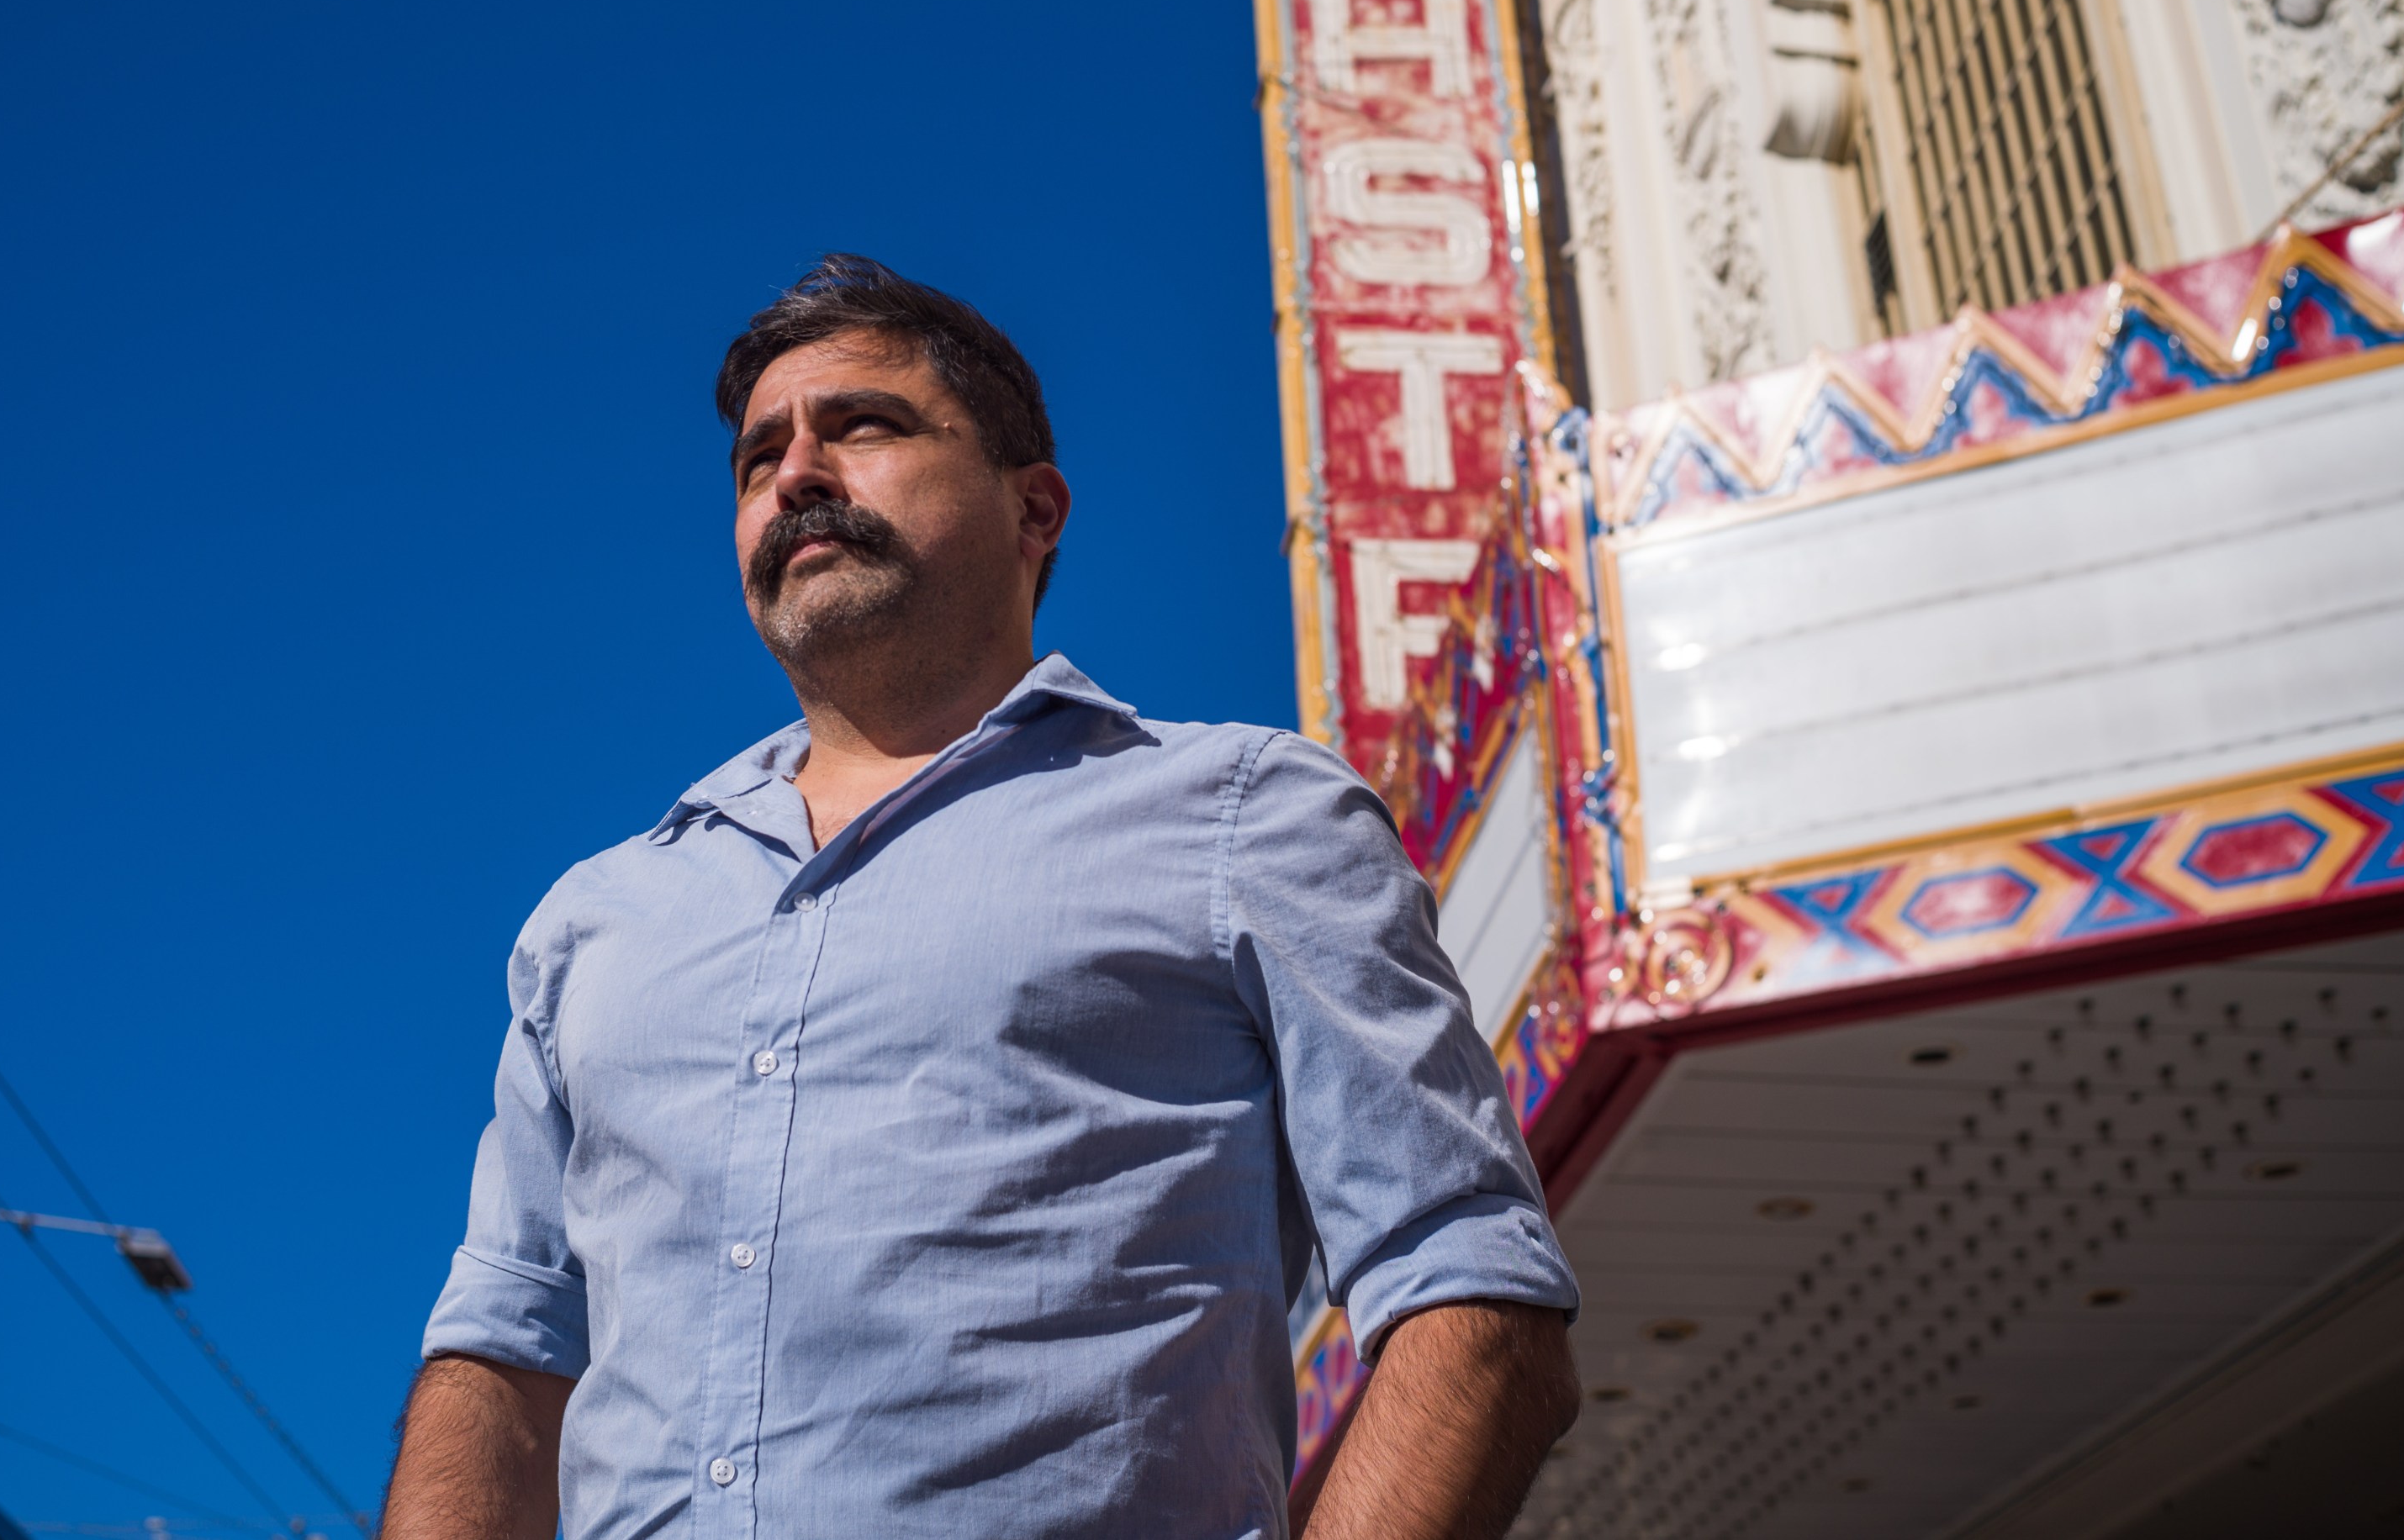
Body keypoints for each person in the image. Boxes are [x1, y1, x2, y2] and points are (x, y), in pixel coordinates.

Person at [383, 256, 1579, 1540]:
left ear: (1036, 509)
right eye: (757, 458)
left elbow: (1475, 1291)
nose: (795, 476)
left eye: (865, 426)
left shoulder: (1247, 816)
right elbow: (503, 1358)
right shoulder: (597, 922)